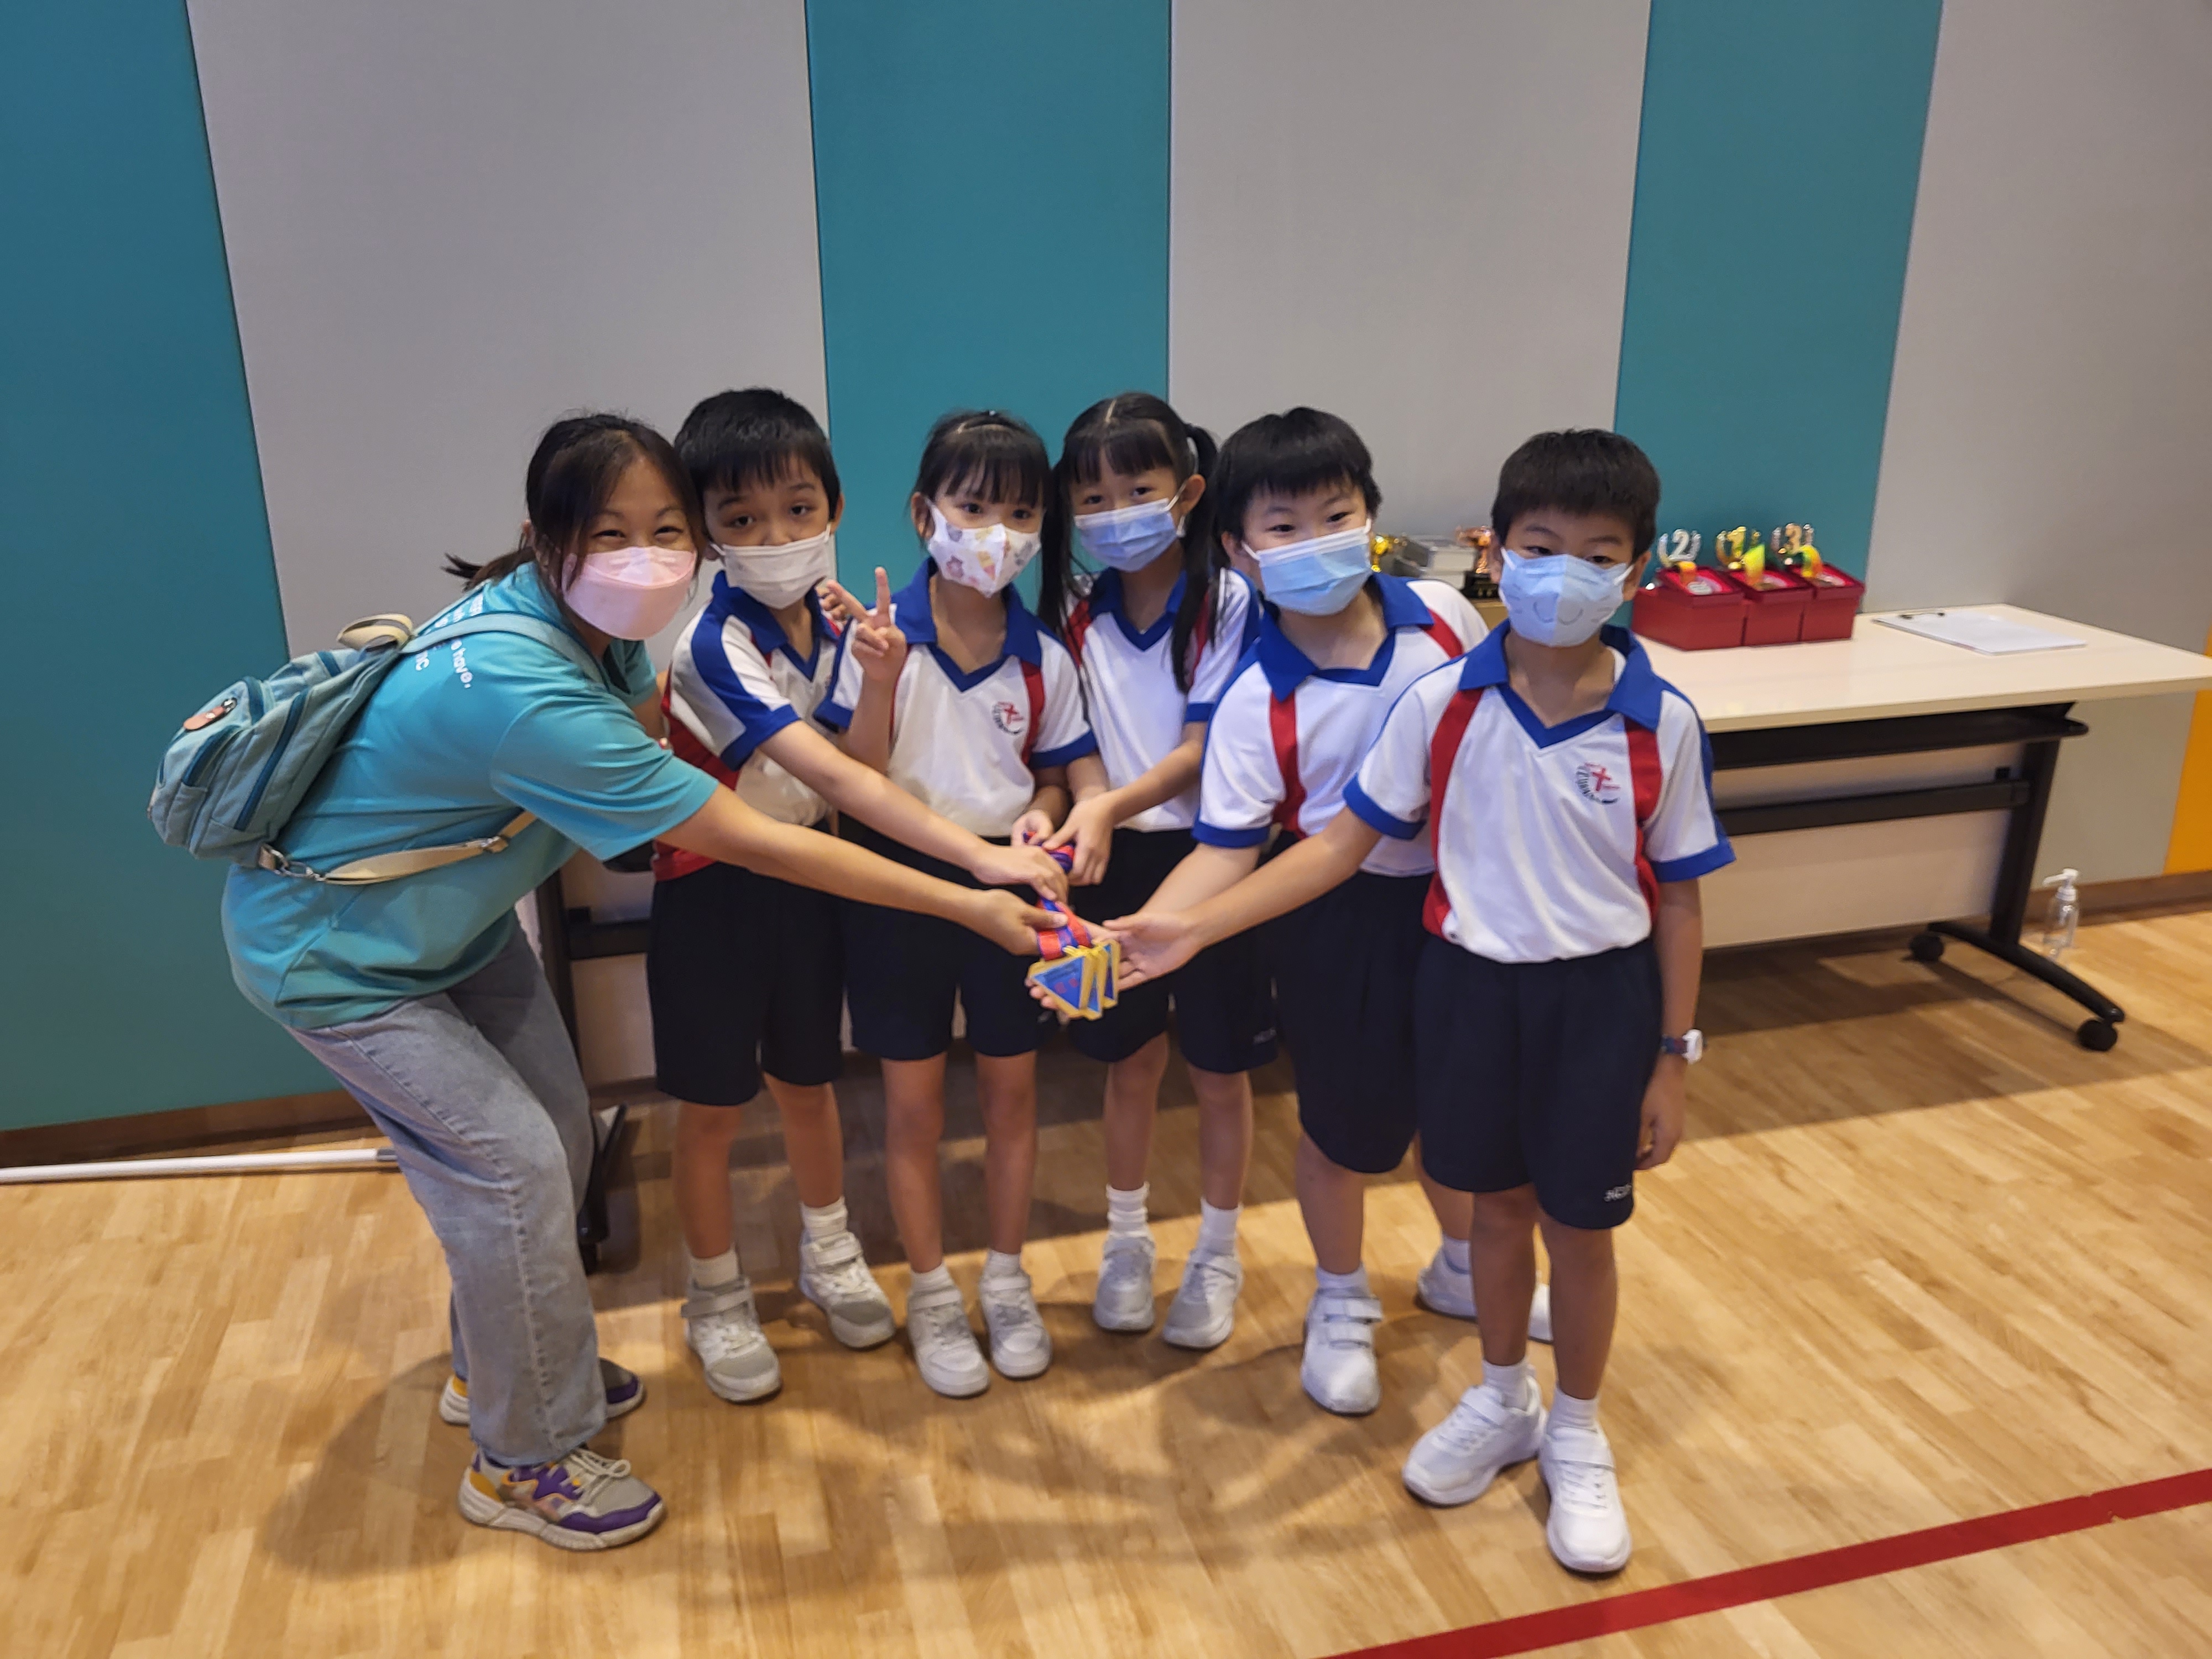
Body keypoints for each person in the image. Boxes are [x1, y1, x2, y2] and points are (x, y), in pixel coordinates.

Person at [221, 414, 1053, 1550]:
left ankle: (502, 1369)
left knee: (560, 1142)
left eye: (666, 529)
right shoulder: (528, 689)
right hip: (336, 958)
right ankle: (524, 1459)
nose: (647, 556)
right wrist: (970, 893)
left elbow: (827, 774)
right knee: (514, 1174)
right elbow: (765, 838)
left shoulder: (593, 632)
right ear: (542, 537)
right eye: (610, 533)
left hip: (449, 932)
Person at [1110, 429, 1730, 1573]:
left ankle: (1565, 1418)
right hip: (1400, 940)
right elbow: (1319, 847)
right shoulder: (1388, 701)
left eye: (1598, 555)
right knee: (1395, 1151)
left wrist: (1671, 1052)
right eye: (1282, 525)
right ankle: (1402, 1335)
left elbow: (1678, 894)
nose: (1564, 574)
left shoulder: (1514, 659)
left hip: (1555, 970)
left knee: (1552, 1214)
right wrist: (1181, 927)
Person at [1090, 406, 1530, 1418]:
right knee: (1342, 1128)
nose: (1315, 540)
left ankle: (1464, 1264)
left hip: (1467, 908)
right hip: (1338, 923)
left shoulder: (1442, 616)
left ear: (1370, 513)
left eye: (1336, 515)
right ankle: (1340, 1299)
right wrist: (1146, 933)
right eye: (1283, 527)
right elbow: (1226, 849)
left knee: (1463, 1108)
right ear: (1240, 549)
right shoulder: (1255, 698)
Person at [652, 389, 1068, 1405]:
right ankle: (715, 1297)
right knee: (713, 1109)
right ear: (704, 529)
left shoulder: (839, 624)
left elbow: (865, 772)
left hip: (819, 885)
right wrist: (979, 870)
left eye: (799, 510)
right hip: (719, 890)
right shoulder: (710, 645)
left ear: (836, 508)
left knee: (812, 1085)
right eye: (742, 519)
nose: (776, 538)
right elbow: (846, 780)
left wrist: (880, 678)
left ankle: (831, 1253)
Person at [817, 410, 1108, 1397]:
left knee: (1013, 1094)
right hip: (897, 890)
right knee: (911, 1104)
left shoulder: (1043, 655)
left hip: (1011, 890)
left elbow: (1056, 779)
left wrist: (1041, 816)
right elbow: (855, 782)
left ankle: (1008, 1279)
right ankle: (934, 1292)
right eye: (973, 507)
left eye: (1021, 514)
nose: (997, 533)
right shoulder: (874, 640)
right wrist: (878, 679)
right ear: (922, 513)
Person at [1030, 393, 1272, 1347]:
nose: (1115, 514)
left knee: (1219, 1070)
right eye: (1092, 498)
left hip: (1215, 858)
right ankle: (1126, 1241)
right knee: (1127, 1063)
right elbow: (1073, 742)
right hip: (1111, 861)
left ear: (1188, 493)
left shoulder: (1228, 601)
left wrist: (1105, 803)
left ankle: (1216, 1251)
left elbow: (1205, 752)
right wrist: (1077, 808)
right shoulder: (1076, 613)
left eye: (1138, 490)